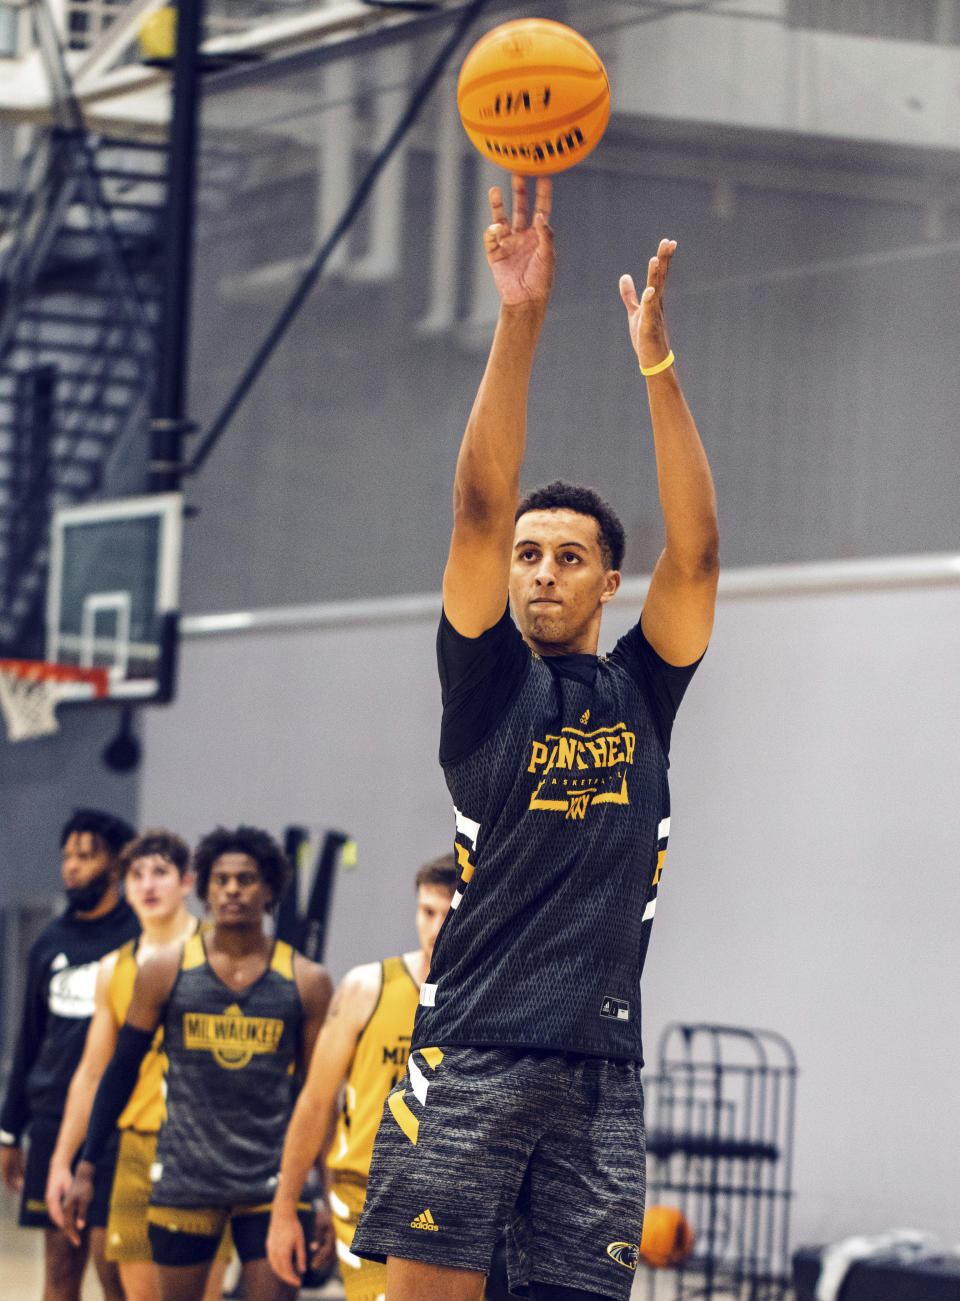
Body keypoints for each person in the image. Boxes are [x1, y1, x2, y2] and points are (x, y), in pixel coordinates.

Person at [350, 174, 720, 1301]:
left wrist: (656, 364)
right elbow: (475, 500)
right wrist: (520, 320)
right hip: (473, 1049)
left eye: (568, 556)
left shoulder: (642, 689)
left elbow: (697, 555)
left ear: (609, 578)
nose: (542, 570)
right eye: (528, 554)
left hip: (601, 1068)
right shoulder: (485, 685)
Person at [61, 825, 333, 1301]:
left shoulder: (306, 980)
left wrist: (325, 1194)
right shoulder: (165, 970)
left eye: (245, 879)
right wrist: (86, 1165)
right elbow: (119, 1072)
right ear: (204, 888)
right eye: (221, 879)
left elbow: (318, 1097)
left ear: (269, 888)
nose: (232, 889)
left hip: (269, 1182)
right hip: (185, 1178)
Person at [45, 829, 229, 1301]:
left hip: (206, 1150)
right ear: (124, 885)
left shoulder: (221, 950)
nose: (148, 884)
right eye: (136, 874)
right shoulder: (114, 967)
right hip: (135, 1148)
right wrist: (64, 1161)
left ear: (186, 882)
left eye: (160, 873)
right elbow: (92, 1072)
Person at [266, 853, 458, 1299]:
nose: (435, 929)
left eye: (449, 915)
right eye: (427, 912)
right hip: (363, 1190)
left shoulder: (493, 1000)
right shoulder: (367, 987)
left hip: (453, 1193)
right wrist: (284, 1209)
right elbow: (315, 1102)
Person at [0, 807, 138, 1301]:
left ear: (118, 865)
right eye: (68, 856)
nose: (72, 866)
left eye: (86, 855)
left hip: (123, 1125)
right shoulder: (50, 942)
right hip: (55, 1119)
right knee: (59, 1265)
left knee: (116, 1270)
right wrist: (10, 1131)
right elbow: (29, 1038)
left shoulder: (140, 940)